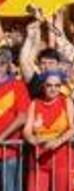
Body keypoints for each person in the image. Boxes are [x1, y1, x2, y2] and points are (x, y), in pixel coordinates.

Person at [23, 71, 74, 191]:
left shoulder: (66, 101)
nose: (53, 89)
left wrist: (57, 141)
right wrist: (33, 140)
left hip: (62, 156)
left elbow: (73, 129)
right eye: (49, 85)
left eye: (57, 85)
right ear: (43, 86)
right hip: (38, 157)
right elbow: (27, 130)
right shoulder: (34, 104)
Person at [0, 46, 30, 191]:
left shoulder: (18, 86)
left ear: (8, 65)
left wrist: (2, 137)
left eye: (2, 63)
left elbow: (23, 117)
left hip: (9, 151)